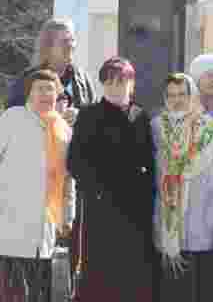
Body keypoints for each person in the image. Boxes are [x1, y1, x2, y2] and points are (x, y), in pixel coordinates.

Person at [0, 69, 76, 301]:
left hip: (45, 229)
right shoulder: (11, 119)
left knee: (40, 293)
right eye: (39, 89)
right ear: (29, 93)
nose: (45, 94)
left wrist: (68, 216)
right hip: (9, 228)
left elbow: (69, 178)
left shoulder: (63, 129)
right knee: (9, 293)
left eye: (51, 89)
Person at [66, 57, 155, 302]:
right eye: (110, 82)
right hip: (100, 207)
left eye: (122, 81)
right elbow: (75, 161)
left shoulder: (141, 116)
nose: (116, 87)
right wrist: (96, 189)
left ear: (132, 83)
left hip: (136, 209)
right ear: (103, 85)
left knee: (133, 270)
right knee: (100, 270)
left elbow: (150, 160)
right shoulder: (89, 115)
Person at [153, 73, 213, 302]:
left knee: (203, 290)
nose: (176, 100)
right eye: (170, 95)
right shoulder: (156, 127)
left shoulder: (212, 128)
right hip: (169, 223)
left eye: (182, 94)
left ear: (193, 95)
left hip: (204, 219)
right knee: (173, 291)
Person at [7, 18, 95, 110]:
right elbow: (13, 118)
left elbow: (95, 117)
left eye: (72, 40)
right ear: (49, 47)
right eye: (65, 41)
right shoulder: (27, 80)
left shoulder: (82, 78)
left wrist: (79, 115)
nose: (71, 45)